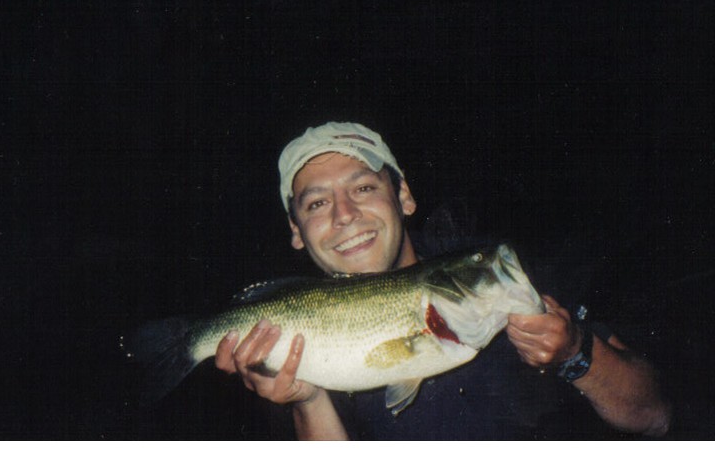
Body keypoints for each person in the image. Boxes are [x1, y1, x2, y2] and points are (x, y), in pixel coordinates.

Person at [214, 121, 672, 440]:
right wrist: (307, 400)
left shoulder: (499, 277)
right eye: (316, 204)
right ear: (297, 233)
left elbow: (655, 416)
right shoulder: (285, 350)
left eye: (363, 188)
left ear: (404, 196)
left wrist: (575, 353)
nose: (345, 216)